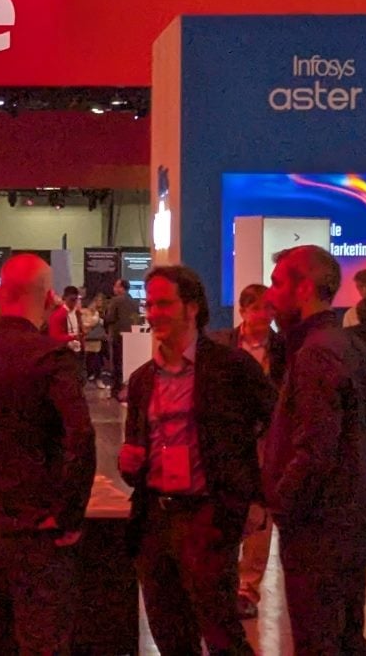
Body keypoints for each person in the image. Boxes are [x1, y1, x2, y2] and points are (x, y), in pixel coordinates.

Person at [119, 265, 274, 656]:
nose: (154, 313)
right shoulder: (141, 381)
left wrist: (259, 498)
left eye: (164, 303)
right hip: (155, 518)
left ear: (192, 308)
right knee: (170, 633)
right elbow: (134, 454)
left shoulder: (231, 369)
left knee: (221, 631)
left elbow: (277, 427)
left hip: (207, 517)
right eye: (150, 304)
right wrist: (130, 462)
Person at [0, 254, 95, 654]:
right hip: (35, 528)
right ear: (49, 297)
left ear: (0, 293)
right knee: (42, 641)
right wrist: (69, 514)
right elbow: (80, 439)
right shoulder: (50, 359)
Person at [264, 245, 366, 656]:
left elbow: (315, 450)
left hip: (320, 536)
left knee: (319, 643)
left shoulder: (316, 353)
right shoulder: (353, 349)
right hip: (351, 527)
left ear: (304, 288)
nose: (269, 294)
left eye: (278, 282)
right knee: (347, 638)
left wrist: (281, 504)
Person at [209, 283, 286, 620]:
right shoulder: (219, 344)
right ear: (243, 311)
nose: (265, 316)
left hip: (267, 439)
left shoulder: (284, 348)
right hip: (228, 440)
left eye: (270, 309)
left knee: (261, 512)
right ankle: (222, 581)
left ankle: (247, 588)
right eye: (259, 309)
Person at [104, 278, 139, 397]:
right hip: (132, 336)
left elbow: (110, 318)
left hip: (117, 335)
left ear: (121, 288)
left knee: (117, 362)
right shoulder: (134, 302)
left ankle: (116, 389)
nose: (114, 288)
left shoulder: (116, 301)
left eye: (116, 286)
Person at [48, 285, 86, 357]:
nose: (74, 302)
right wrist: (73, 337)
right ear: (65, 298)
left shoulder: (77, 313)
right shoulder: (58, 315)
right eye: (72, 299)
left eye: (76, 299)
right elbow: (54, 336)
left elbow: (81, 331)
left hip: (78, 351)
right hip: (64, 352)